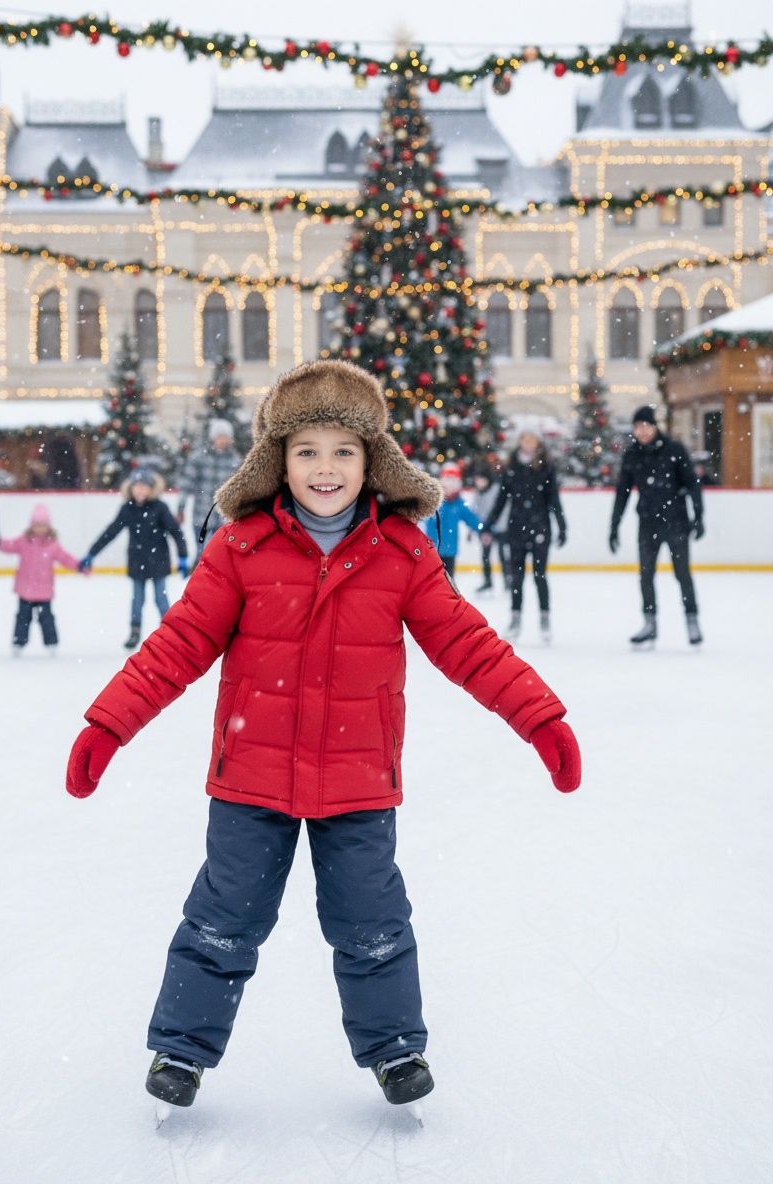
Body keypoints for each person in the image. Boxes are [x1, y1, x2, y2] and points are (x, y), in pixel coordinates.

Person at [65, 360, 582, 1118]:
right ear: (279, 459)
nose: (326, 468)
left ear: (373, 459)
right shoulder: (240, 548)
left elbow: (468, 644)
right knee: (223, 916)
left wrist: (540, 716)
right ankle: (181, 1047)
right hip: (251, 779)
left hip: (358, 780)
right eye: (307, 450)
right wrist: (108, 724)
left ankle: (395, 1048)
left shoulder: (403, 553)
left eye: (344, 450)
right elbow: (175, 646)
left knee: (371, 919)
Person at [610, 406, 704, 646]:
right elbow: (623, 492)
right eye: (636, 427)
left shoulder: (674, 449)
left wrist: (699, 516)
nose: (640, 431)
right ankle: (649, 623)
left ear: (654, 426)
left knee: (682, 574)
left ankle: (692, 620)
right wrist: (614, 526)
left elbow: (692, 484)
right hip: (648, 522)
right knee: (645, 575)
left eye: (644, 426)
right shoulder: (633, 454)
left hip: (676, 521)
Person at [80, 467, 188, 649]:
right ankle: (134, 632)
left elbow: (175, 532)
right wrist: (92, 553)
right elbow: (111, 532)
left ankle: (170, 632)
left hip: (158, 560)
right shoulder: (127, 509)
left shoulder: (160, 508)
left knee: (160, 598)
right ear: (130, 488)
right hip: (137, 561)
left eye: (144, 486)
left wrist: (183, 557)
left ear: (151, 488)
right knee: (137, 599)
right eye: (137, 486)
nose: (141, 490)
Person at [482, 432, 566, 644]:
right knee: (516, 577)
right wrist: (488, 524)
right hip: (517, 529)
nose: (527, 443)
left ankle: (545, 618)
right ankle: (515, 618)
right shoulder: (511, 468)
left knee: (540, 576)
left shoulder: (546, 467)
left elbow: (553, 498)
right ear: (519, 442)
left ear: (537, 443)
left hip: (540, 528)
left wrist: (562, 526)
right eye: (524, 439)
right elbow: (502, 499)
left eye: (531, 439)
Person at [0, 503, 83, 654]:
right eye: (37, 524)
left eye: (43, 525)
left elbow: (65, 558)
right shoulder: (24, 541)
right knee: (22, 618)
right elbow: (8, 546)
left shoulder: (53, 544)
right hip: (25, 590)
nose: (40, 528)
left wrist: (79, 566)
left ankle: (51, 643)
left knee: (46, 619)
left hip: (44, 591)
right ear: (31, 525)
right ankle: (18, 643)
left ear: (49, 527)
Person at [177, 418, 242, 567]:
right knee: (201, 552)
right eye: (220, 436)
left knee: (221, 555)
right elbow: (186, 484)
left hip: (225, 516)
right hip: (202, 513)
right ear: (213, 438)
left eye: (226, 437)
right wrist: (181, 508)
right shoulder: (199, 457)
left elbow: (241, 488)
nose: (223, 440)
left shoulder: (235, 460)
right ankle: (198, 577)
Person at [421, 464, 485, 578]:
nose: (450, 487)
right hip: (431, 552)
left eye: (454, 483)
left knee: (449, 583)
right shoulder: (433, 501)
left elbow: (472, 519)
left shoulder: (459, 503)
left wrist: (485, 529)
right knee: (431, 583)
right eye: (447, 482)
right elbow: (419, 517)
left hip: (450, 551)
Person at [469, 463, 502, 591]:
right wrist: (475, 529)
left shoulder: (496, 490)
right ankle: (488, 581)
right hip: (485, 530)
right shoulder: (477, 493)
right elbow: (474, 511)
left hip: (498, 528)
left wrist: (495, 525)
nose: (479, 483)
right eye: (477, 480)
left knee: (503, 554)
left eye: (482, 480)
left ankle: (508, 581)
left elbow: (499, 509)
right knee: (485, 555)